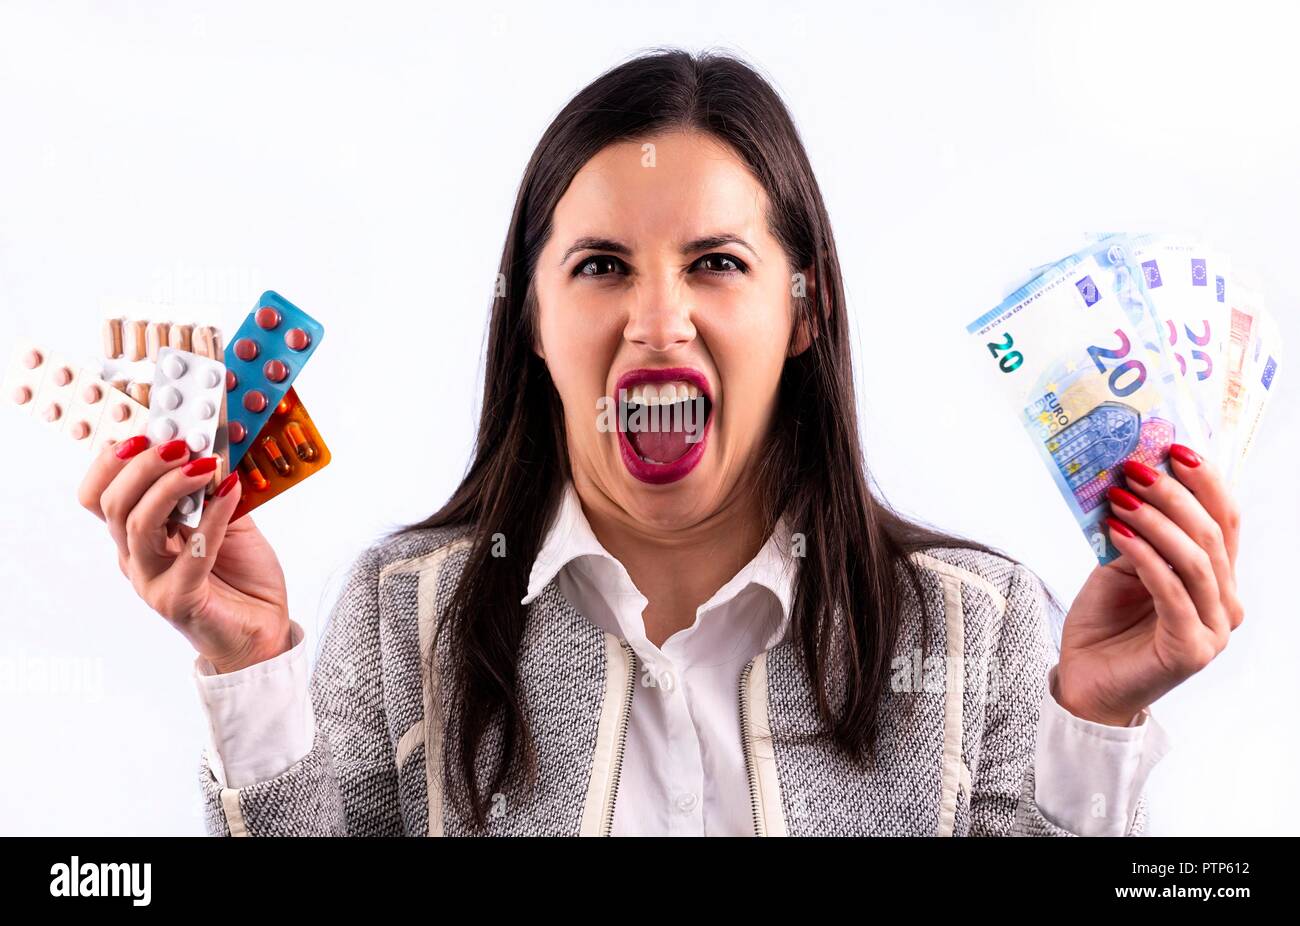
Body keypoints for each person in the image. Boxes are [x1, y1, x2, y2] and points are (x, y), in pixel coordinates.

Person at [76, 48, 1243, 836]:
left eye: (716, 262)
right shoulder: (403, 613)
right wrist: (247, 670)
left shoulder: (977, 622)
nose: (656, 318)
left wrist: (1094, 726)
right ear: (531, 320)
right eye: (599, 266)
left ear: (804, 307)